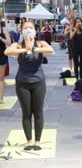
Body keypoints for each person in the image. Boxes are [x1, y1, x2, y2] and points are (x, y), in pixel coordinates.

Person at [4, 21, 54, 151]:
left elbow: (51, 50)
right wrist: (25, 49)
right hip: (22, 83)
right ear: (21, 30)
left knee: (38, 112)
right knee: (26, 113)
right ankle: (29, 141)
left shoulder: (40, 43)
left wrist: (34, 49)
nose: (28, 29)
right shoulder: (17, 44)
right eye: (25, 28)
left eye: (30, 28)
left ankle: (37, 141)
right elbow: (8, 51)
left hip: (38, 82)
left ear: (35, 30)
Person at [0, 20, 11, 103]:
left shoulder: (4, 30)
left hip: (2, 56)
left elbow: (9, 42)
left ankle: (1, 98)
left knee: (1, 77)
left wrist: (0, 38)